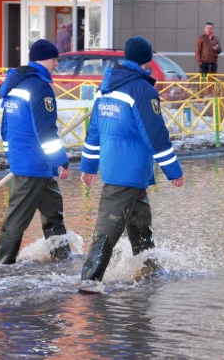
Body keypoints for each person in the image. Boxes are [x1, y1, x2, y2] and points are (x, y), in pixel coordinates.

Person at [79, 36, 184, 283]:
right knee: (107, 229)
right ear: (147, 59)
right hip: (128, 171)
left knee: (140, 226)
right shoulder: (142, 90)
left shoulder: (106, 87)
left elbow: (94, 131)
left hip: (122, 171)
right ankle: (89, 281)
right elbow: (155, 134)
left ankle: (149, 272)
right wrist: (173, 170)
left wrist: (89, 165)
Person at [0, 39, 72, 265]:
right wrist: (61, 160)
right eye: (55, 59)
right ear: (46, 59)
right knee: (17, 219)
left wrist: (13, 157)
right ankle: (1, 266)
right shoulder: (39, 87)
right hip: (34, 165)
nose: (57, 64)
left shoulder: (16, 84)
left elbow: (6, 127)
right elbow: (46, 131)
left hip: (31, 162)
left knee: (53, 214)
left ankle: (63, 259)